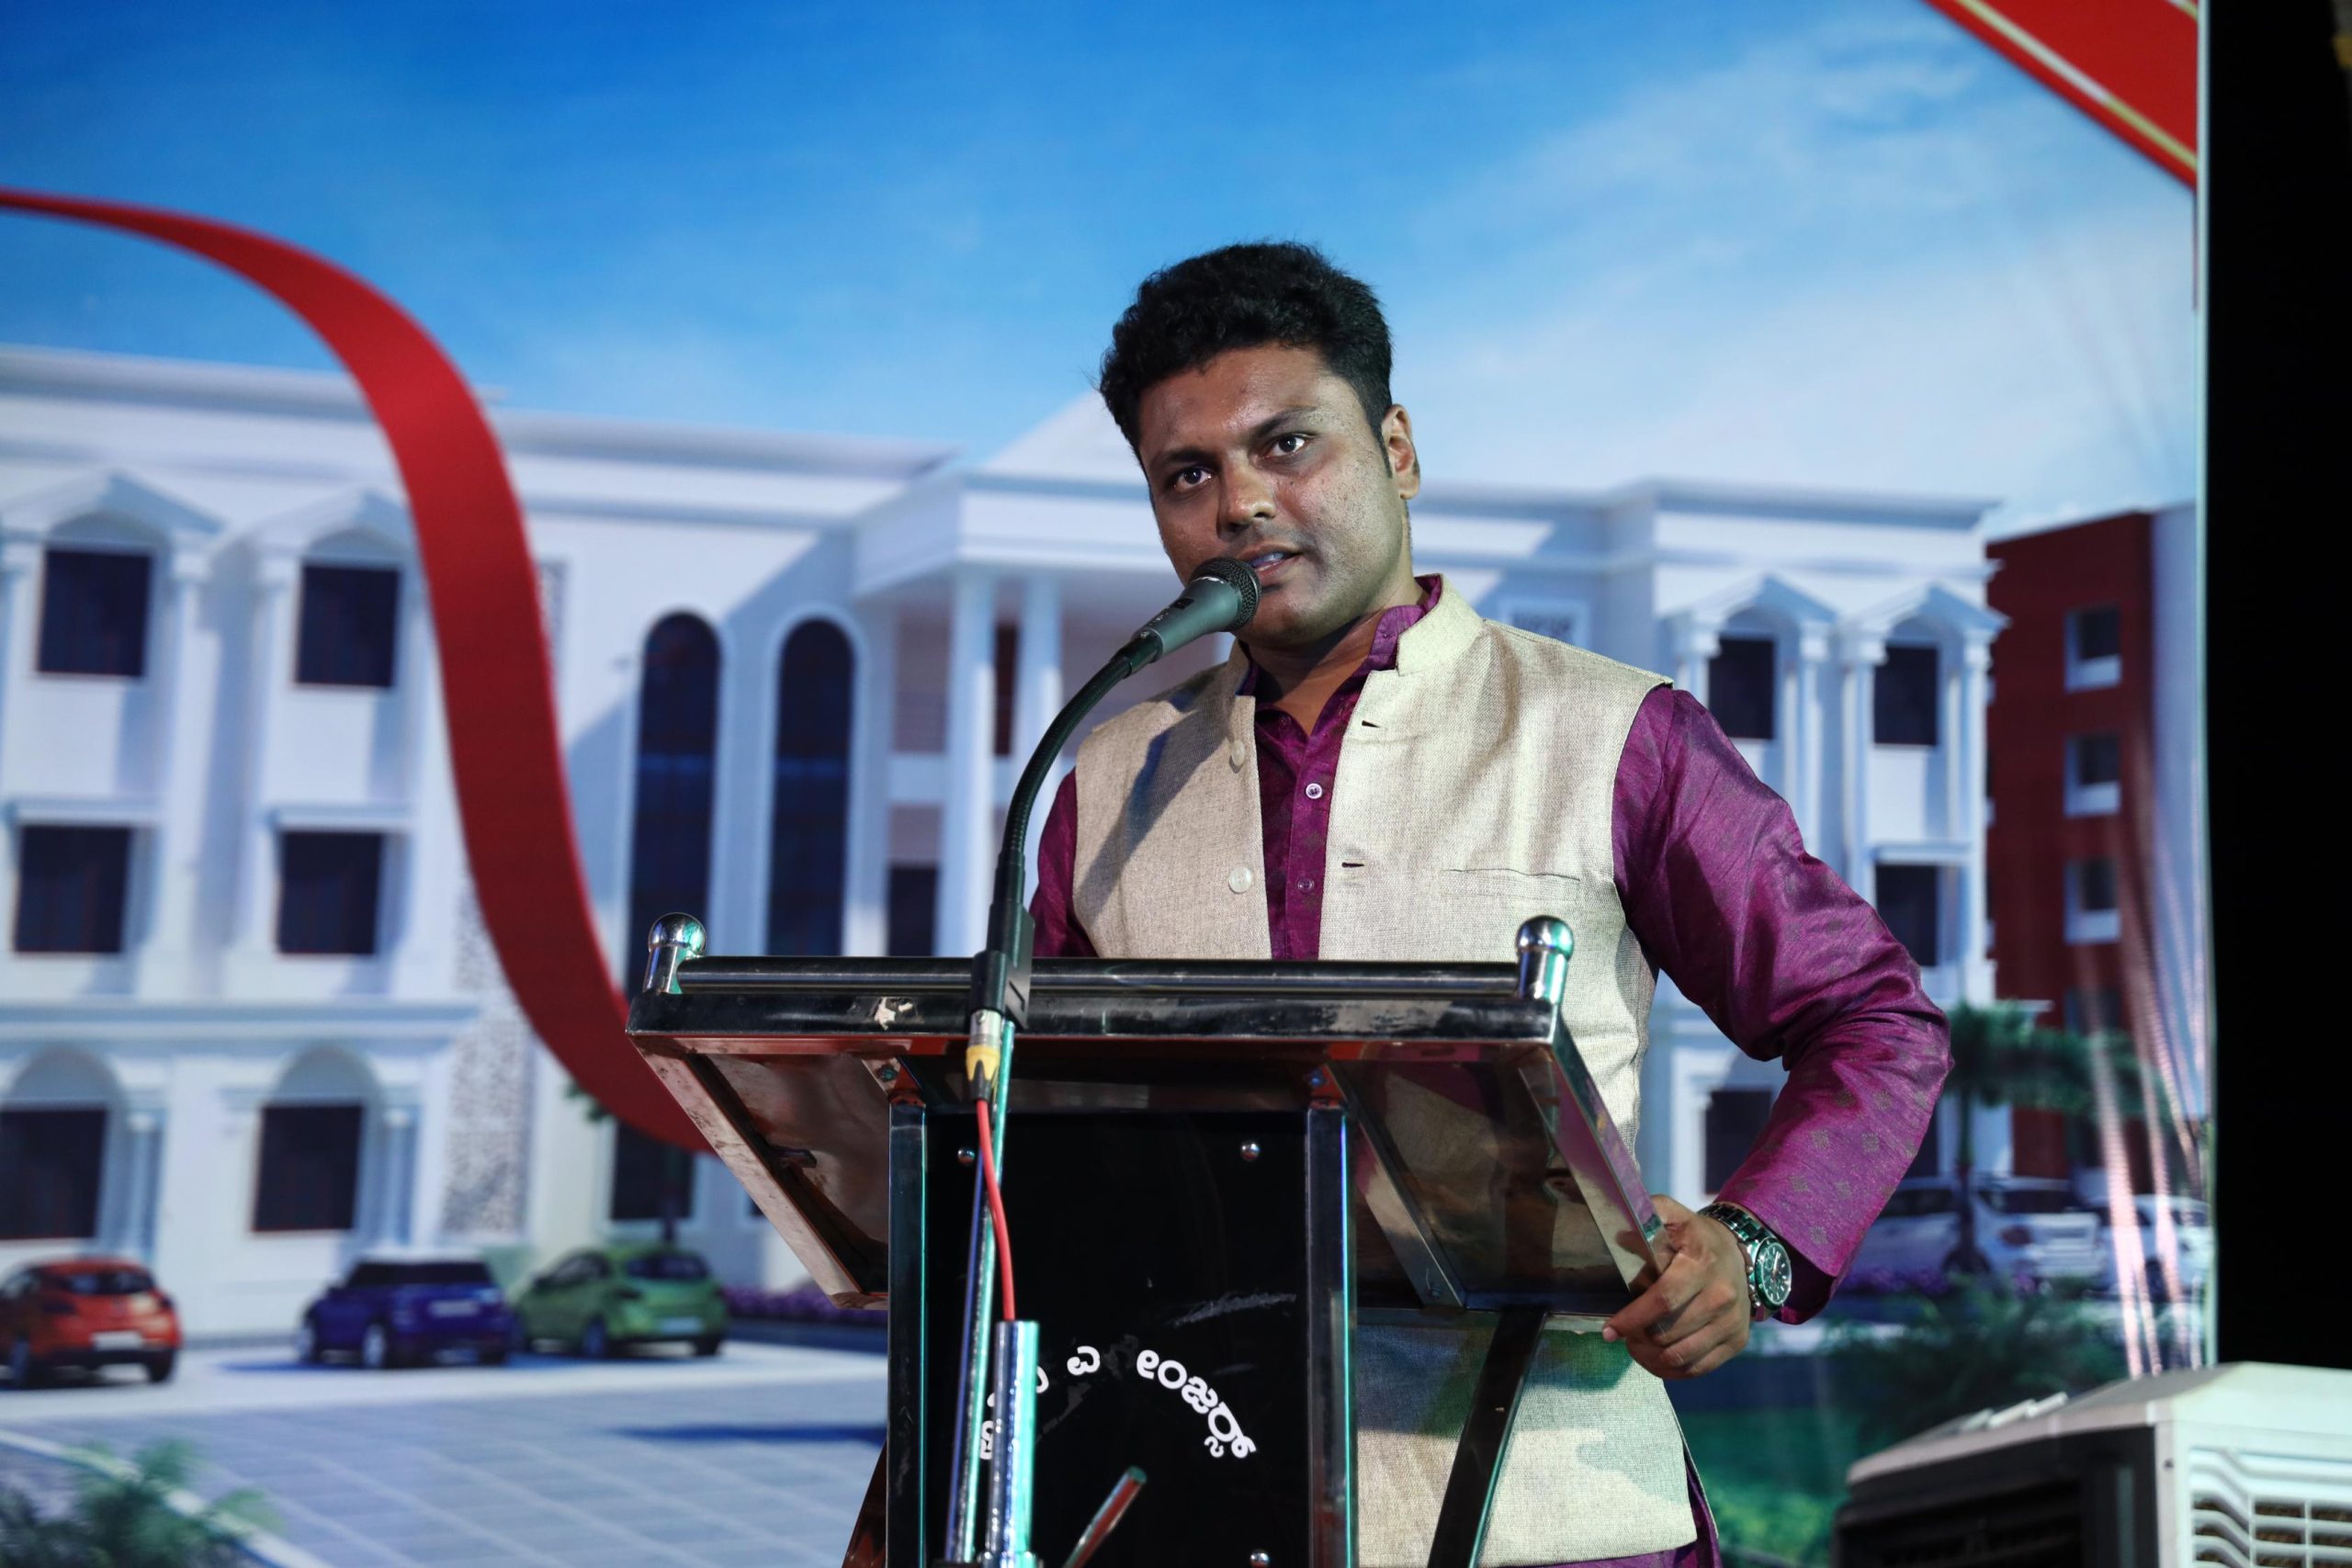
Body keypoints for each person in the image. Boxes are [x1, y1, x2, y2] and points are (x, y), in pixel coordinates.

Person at [1026, 242, 1951, 1567]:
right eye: (1188, 475)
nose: (1242, 503)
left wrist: (1749, 1249)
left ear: (1397, 448)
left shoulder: (1609, 733)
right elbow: (1038, 1140)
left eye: (1288, 444)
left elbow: (1872, 1018)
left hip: (1557, 1511)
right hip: (1202, 1503)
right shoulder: (1106, 781)